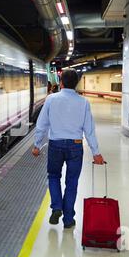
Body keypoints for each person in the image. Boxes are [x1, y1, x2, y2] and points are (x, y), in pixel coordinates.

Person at [32, 68, 104, 229]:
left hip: (55, 144)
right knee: (71, 182)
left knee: (53, 176)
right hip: (75, 146)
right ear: (76, 83)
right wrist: (96, 153)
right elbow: (89, 129)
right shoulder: (83, 102)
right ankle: (68, 219)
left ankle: (56, 207)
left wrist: (37, 145)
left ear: (61, 82)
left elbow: (42, 124)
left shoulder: (51, 99)